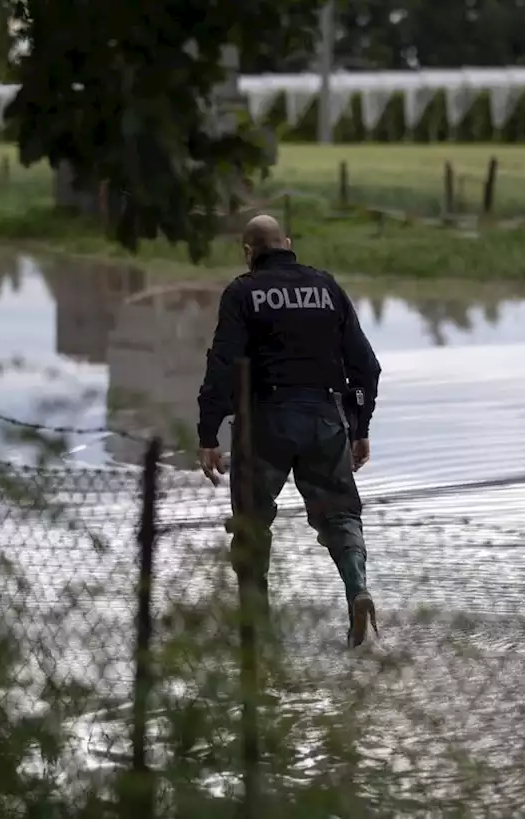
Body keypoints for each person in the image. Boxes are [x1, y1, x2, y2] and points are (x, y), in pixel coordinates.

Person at [196, 214, 383, 648]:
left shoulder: (242, 292)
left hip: (265, 423)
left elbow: (222, 365)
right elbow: (366, 366)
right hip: (324, 418)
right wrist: (359, 427)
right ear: (289, 243)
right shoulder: (327, 288)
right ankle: (358, 591)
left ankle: (257, 631)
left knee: (252, 523)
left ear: (248, 253)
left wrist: (208, 433)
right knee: (340, 515)